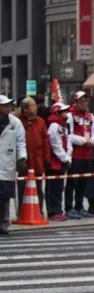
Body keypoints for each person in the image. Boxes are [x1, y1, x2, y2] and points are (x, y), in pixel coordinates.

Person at [65, 91, 94, 219]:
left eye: (86, 101)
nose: (84, 103)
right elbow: (69, 135)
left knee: (83, 182)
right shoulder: (70, 115)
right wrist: (84, 141)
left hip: (88, 154)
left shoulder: (90, 116)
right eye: (81, 101)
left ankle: (79, 206)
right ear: (75, 102)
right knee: (71, 182)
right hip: (75, 155)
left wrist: (92, 141)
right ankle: (68, 207)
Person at [16, 97, 49, 213]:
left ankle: (38, 211)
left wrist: (46, 159)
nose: (36, 108)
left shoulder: (41, 121)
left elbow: (45, 141)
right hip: (24, 162)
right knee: (22, 188)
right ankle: (22, 212)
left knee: (39, 188)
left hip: (38, 162)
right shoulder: (17, 121)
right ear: (25, 109)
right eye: (33, 106)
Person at [0, 95, 27, 235]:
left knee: (5, 196)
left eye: (9, 105)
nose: (8, 108)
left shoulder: (15, 123)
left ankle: (3, 223)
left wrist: (22, 158)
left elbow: (21, 142)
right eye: (5, 105)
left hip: (7, 163)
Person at [45, 102, 72, 221]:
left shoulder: (63, 125)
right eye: (64, 111)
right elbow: (56, 145)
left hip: (61, 161)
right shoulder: (54, 126)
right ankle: (53, 212)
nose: (66, 113)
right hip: (54, 163)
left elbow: (68, 141)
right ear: (57, 112)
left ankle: (58, 210)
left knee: (59, 187)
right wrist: (66, 159)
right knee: (53, 188)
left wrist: (68, 156)